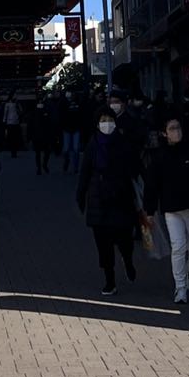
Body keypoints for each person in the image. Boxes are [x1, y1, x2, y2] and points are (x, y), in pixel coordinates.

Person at [143, 114, 189, 305]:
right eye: (172, 128)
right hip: (172, 209)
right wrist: (149, 211)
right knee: (178, 247)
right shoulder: (159, 157)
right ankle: (180, 288)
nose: (176, 132)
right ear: (164, 133)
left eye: (178, 127)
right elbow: (152, 186)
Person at [77, 106, 138, 297]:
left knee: (125, 240)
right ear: (97, 123)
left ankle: (128, 261)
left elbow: (135, 168)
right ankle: (110, 281)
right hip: (98, 200)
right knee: (103, 245)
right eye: (103, 120)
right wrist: (80, 195)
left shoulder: (123, 143)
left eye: (110, 119)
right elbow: (85, 171)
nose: (107, 124)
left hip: (122, 199)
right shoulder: (93, 144)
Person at [30, 100, 58, 176]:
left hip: (41, 135)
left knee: (40, 152)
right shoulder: (44, 111)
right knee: (43, 152)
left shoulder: (36, 112)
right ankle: (42, 166)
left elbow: (31, 125)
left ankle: (41, 167)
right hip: (41, 135)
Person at [2, 93, 22, 158]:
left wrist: (4, 121)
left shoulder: (8, 104)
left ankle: (13, 151)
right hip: (15, 122)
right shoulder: (14, 104)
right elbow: (21, 111)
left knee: (11, 137)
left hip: (10, 122)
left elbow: (5, 113)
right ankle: (14, 151)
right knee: (14, 137)